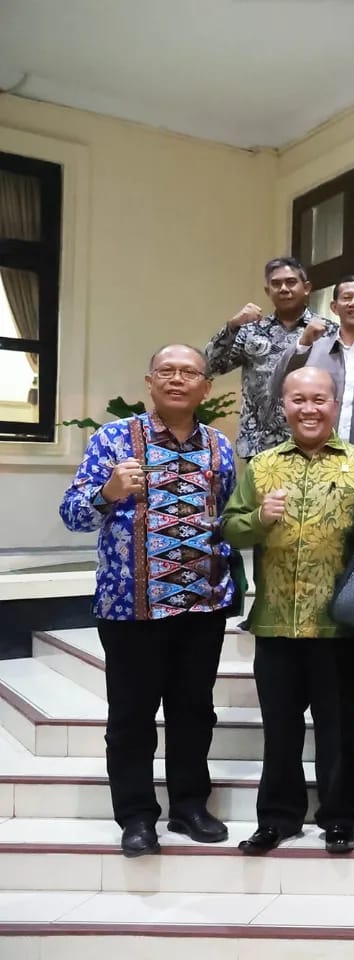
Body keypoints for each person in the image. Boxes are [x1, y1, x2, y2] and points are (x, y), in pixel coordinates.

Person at [58, 344, 238, 857]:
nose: (178, 379)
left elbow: (222, 514)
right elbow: (72, 514)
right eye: (167, 371)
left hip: (201, 606)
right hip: (130, 606)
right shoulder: (113, 439)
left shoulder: (220, 447)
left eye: (189, 372)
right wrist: (108, 492)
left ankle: (189, 807)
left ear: (206, 387)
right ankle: (137, 817)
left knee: (194, 712)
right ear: (150, 382)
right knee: (132, 716)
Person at [221, 367, 354, 856]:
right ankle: (278, 818)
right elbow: (230, 528)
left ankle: (339, 819)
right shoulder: (262, 466)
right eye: (298, 400)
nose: (309, 409)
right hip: (275, 622)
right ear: (283, 406)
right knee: (281, 730)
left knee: (339, 731)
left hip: (339, 625)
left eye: (319, 399)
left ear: (335, 405)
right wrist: (257, 519)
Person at [205, 256, 335, 458]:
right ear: (268, 291)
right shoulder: (250, 331)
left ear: (307, 287)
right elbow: (209, 366)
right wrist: (232, 326)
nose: (284, 288)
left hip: (314, 441)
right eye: (276, 284)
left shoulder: (328, 330)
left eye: (291, 282)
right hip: (260, 444)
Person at [271, 275, 354, 470]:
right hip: (313, 466)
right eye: (347, 298)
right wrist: (303, 343)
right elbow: (276, 387)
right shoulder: (312, 348)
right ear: (334, 307)